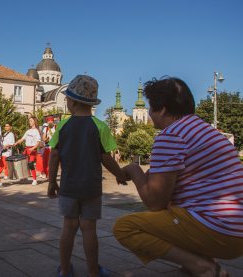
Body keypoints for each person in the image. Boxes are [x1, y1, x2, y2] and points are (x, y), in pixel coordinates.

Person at [113, 77, 243, 277]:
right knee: (176, 206)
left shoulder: (170, 136)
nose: (148, 113)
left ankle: (204, 267)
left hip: (222, 232)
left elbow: (155, 202)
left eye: (150, 107)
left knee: (125, 228)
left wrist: (134, 170)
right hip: (236, 228)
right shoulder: (206, 131)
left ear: (162, 109)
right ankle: (203, 261)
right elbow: (163, 177)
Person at [47, 75, 127, 277]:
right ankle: (93, 272)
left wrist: (51, 182)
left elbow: (54, 155)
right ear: (91, 103)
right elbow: (106, 158)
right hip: (92, 188)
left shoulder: (62, 126)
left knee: (69, 227)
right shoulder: (100, 126)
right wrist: (119, 174)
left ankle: (65, 270)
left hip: (68, 187)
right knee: (89, 229)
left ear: (72, 101)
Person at [14, 116, 42, 186]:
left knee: (30, 164)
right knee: (23, 163)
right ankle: (25, 177)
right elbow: (22, 139)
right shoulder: (28, 131)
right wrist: (16, 142)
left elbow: (38, 142)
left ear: (34, 122)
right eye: (29, 121)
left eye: (31, 121)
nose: (29, 122)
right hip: (27, 149)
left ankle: (35, 179)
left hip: (33, 149)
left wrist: (33, 148)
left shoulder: (36, 131)